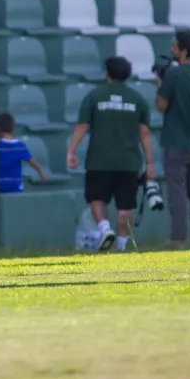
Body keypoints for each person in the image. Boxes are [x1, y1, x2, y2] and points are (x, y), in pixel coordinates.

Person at [66, 56, 154, 252]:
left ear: (107, 72)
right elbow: (144, 134)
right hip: (129, 161)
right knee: (125, 206)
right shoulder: (138, 99)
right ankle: (122, 245)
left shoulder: (94, 96)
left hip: (99, 160)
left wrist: (71, 150)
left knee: (97, 198)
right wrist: (149, 163)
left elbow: (82, 126)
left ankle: (104, 228)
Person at [156, 30, 190, 248]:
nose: (172, 49)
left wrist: (161, 83)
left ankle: (177, 237)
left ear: (183, 50)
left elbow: (161, 105)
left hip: (174, 141)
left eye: (175, 46)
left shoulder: (174, 75)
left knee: (177, 192)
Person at [0, 113, 47, 193]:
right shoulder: (20, 146)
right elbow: (31, 161)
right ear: (13, 127)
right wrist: (41, 173)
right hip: (15, 185)